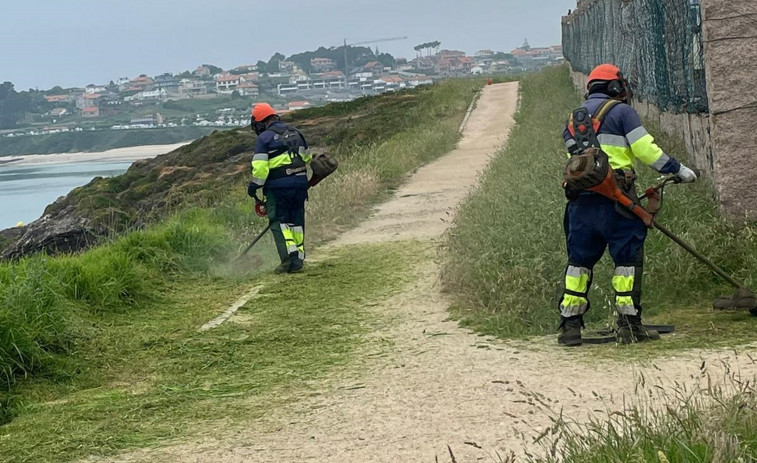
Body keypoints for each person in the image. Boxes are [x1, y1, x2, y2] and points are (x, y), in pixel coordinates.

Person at [558, 64, 698, 346]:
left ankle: (570, 326)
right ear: (615, 87)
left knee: (579, 264)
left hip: (581, 205)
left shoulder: (574, 120)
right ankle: (629, 325)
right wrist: (678, 169)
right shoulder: (622, 112)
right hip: (618, 202)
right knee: (626, 262)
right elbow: (646, 150)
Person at [247, 103, 312, 274]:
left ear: (260, 122)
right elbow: (307, 157)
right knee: (296, 222)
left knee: (279, 222)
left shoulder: (264, 139)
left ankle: (286, 261)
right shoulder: (296, 133)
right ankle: (298, 260)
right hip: (300, 185)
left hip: (278, 188)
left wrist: (254, 187)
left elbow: (260, 169)